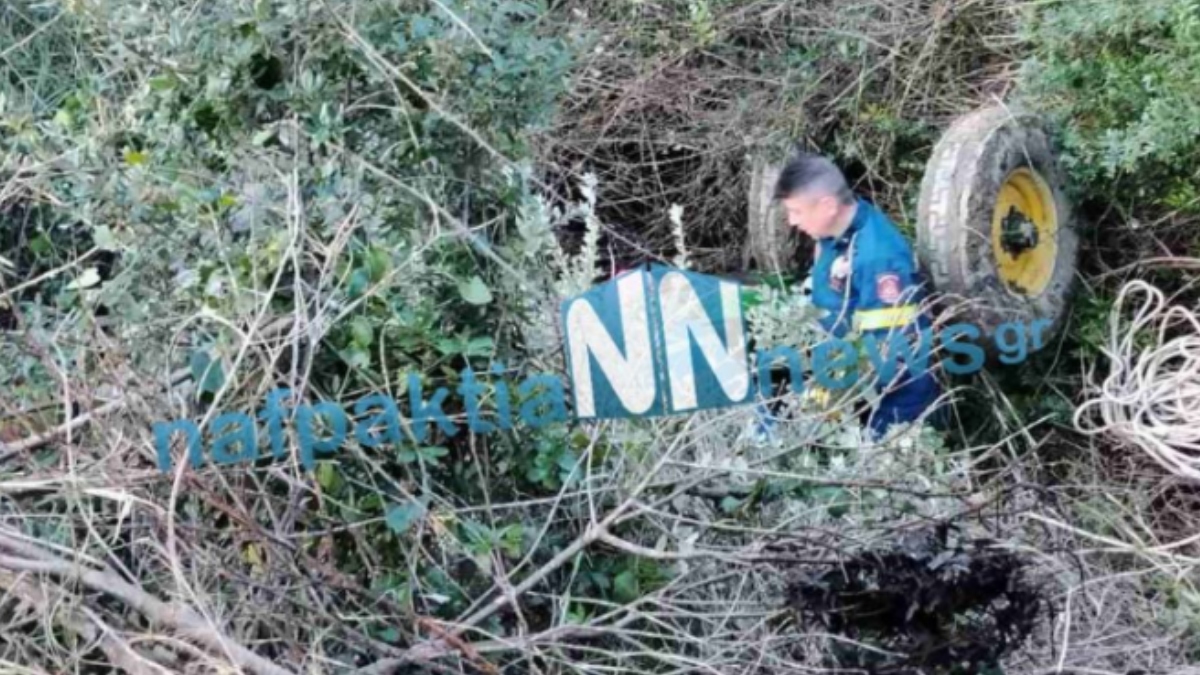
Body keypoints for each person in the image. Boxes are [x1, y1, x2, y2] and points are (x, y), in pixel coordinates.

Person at [771, 151, 944, 439]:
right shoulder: (832, 233)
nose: (791, 222)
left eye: (796, 211)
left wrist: (827, 394)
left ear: (827, 205)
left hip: (894, 402)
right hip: (849, 377)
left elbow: (890, 353)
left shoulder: (878, 258)